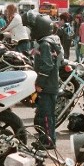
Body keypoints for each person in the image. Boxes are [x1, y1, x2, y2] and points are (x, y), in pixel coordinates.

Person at [29, 11, 62, 149]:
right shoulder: (53, 40)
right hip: (51, 84)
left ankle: (48, 142)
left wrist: (39, 83)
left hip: (47, 86)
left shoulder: (45, 44)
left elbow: (47, 65)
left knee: (46, 116)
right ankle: (46, 139)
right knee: (45, 114)